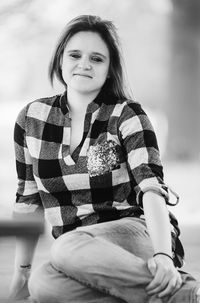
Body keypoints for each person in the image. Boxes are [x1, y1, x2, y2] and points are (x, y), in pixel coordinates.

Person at [9, 15, 200, 303]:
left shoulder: (127, 114)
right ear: (60, 59)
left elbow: (151, 189)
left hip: (136, 231)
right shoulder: (30, 119)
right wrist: (22, 273)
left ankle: (181, 289)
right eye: (75, 55)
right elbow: (28, 201)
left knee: (65, 248)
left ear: (109, 70)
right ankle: (169, 294)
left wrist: (162, 254)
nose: (84, 64)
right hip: (77, 254)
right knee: (43, 284)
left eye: (97, 59)